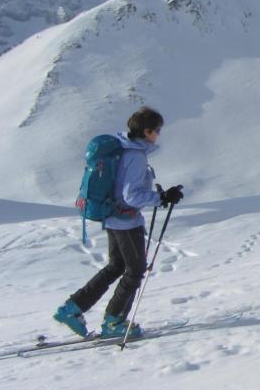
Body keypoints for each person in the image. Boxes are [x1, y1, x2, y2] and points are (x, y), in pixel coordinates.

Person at [53, 107, 183, 339]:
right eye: (158, 130)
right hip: (126, 220)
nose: (159, 134)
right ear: (147, 131)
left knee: (116, 267)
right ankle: (114, 321)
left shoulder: (124, 148)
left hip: (114, 217)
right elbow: (131, 195)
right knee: (134, 270)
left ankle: (71, 309)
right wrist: (160, 198)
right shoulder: (136, 156)